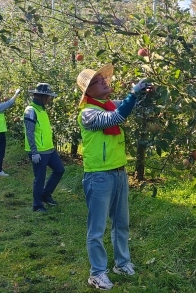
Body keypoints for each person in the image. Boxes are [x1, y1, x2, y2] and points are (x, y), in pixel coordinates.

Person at [76, 64, 150, 290]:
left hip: (118, 173)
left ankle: (122, 263)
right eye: (98, 82)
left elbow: (127, 106)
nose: (105, 82)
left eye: (104, 79)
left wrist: (144, 94)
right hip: (98, 176)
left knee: (121, 223)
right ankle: (97, 273)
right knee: (97, 228)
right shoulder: (88, 113)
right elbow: (114, 118)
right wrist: (133, 94)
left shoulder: (107, 104)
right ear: (88, 92)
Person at [23, 83, 64, 212]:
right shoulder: (31, 110)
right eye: (48, 97)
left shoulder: (41, 109)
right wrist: (34, 152)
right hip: (39, 151)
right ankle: (37, 205)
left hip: (49, 149)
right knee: (39, 178)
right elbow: (29, 132)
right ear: (41, 96)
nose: (49, 99)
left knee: (59, 170)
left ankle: (46, 194)